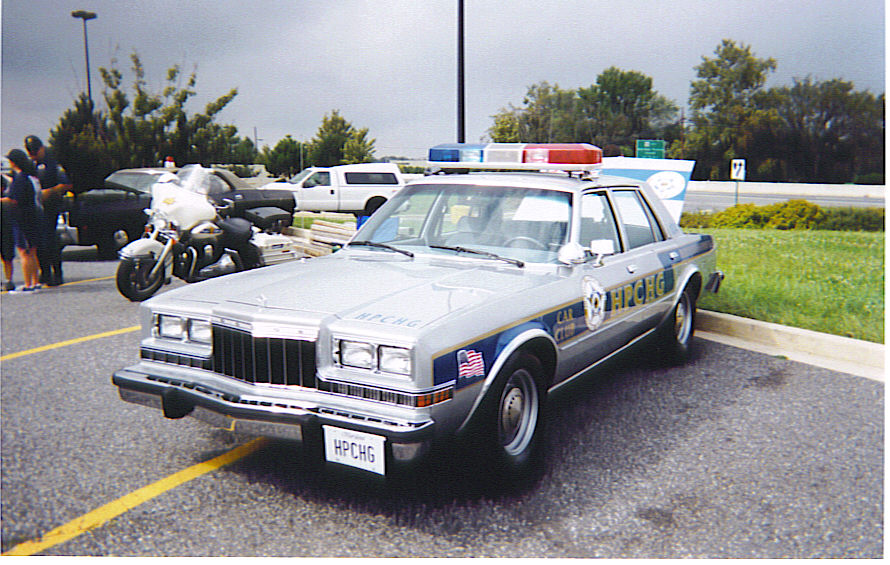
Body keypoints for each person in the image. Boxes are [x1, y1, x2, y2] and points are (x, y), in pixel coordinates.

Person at [25, 135, 71, 286]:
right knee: (39, 243)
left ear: (42, 148)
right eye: (30, 152)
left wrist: (49, 192)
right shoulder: (31, 165)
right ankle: (45, 273)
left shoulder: (52, 164)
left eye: (35, 151)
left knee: (50, 242)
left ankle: (57, 274)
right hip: (36, 209)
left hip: (51, 207)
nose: (33, 154)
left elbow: (65, 185)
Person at [1, 149, 43, 292]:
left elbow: (13, 200)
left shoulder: (19, 179)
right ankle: (35, 282)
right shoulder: (27, 177)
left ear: (14, 162)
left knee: (24, 252)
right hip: (31, 217)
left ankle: (28, 284)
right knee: (32, 251)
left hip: (21, 219)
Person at [1, 173, 15, 291]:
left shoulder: (5, 202)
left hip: (5, 226)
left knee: (7, 255)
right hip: (6, 226)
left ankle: (9, 280)